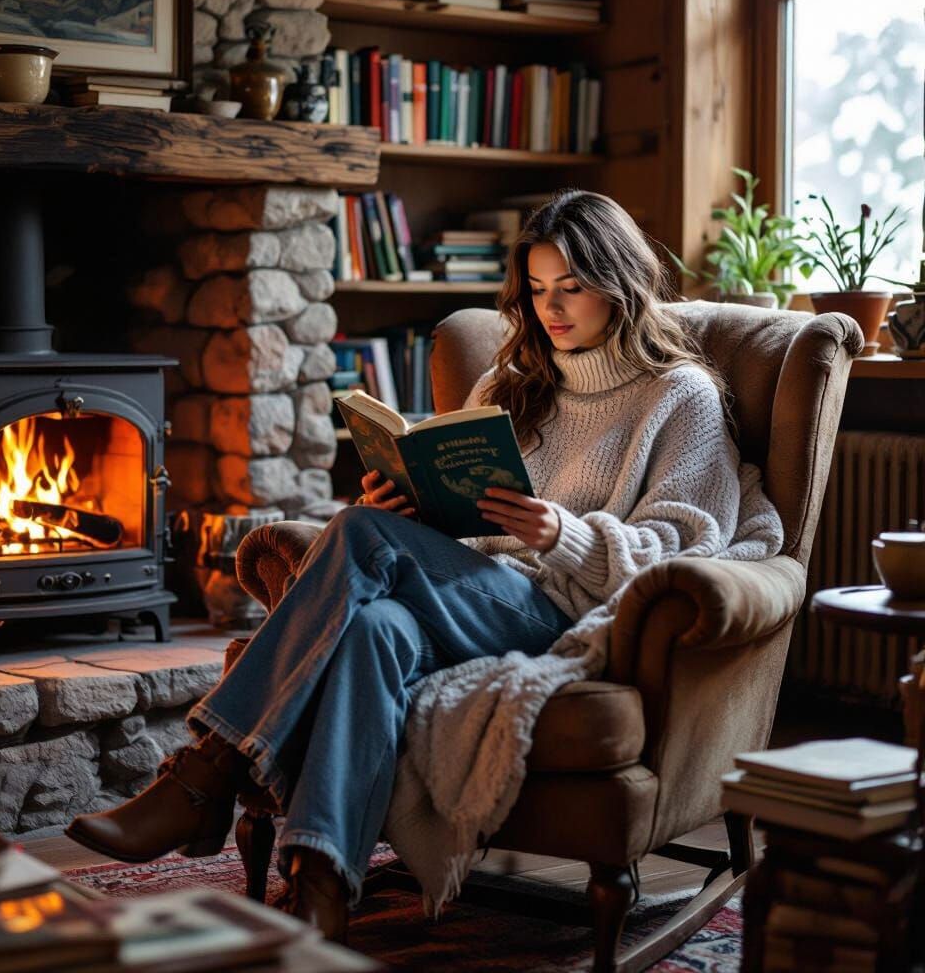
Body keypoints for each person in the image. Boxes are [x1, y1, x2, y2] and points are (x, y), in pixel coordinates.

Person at [67, 189, 779, 942]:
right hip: (468, 599)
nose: (551, 309)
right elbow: (459, 520)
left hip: (568, 616)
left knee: (360, 537)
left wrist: (559, 533)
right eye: (536, 290)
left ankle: (205, 773)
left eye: (571, 287)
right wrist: (406, 502)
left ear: (619, 282)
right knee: (374, 622)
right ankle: (322, 886)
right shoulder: (511, 381)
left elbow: (686, 545)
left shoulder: (682, 396)